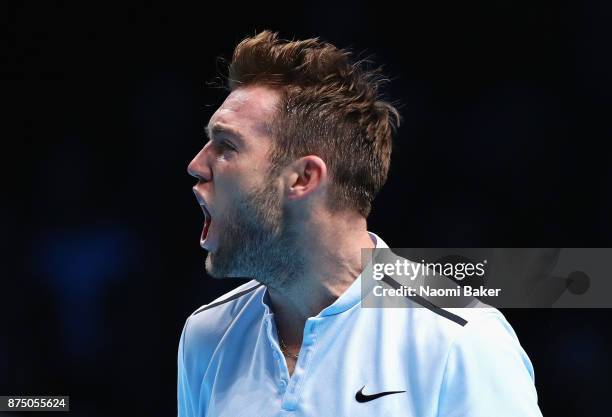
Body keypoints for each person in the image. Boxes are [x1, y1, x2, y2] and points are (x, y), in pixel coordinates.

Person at [179, 30, 543, 417]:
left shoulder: (460, 341)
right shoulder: (206, 335)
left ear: (303, 179)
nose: (196, 165)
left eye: (227, 146)